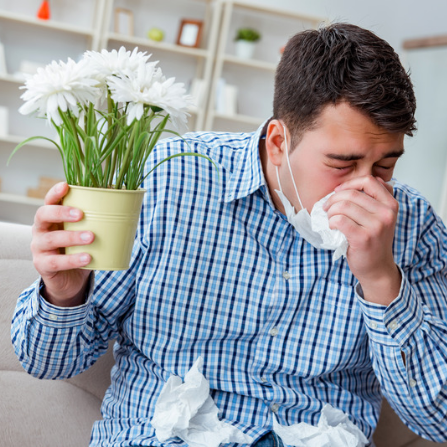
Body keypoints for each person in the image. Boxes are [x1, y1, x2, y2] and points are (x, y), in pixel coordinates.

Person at [11, 23, 447, 447]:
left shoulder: (412, 226)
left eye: (385, 166)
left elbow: (438, 419)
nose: (365, 188)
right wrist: (64, 295)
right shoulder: (171, 179)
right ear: (278, 141)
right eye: (341, 164)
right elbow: (47, 362)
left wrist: (381, 282)